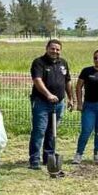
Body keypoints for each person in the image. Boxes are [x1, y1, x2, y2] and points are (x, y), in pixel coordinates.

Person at [28, 39, 74, 170]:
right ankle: (34, 160)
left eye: (57, 49)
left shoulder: (63, 63)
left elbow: (68, 81)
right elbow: (37, 80)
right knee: (39, 130)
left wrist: (71, 98)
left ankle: (49, 157)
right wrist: (48, 94)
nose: (55, 51)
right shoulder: (39, 62)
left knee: (52, 131)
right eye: (52, 49)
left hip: (58, 104)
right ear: (47, 48)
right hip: (41, 102)